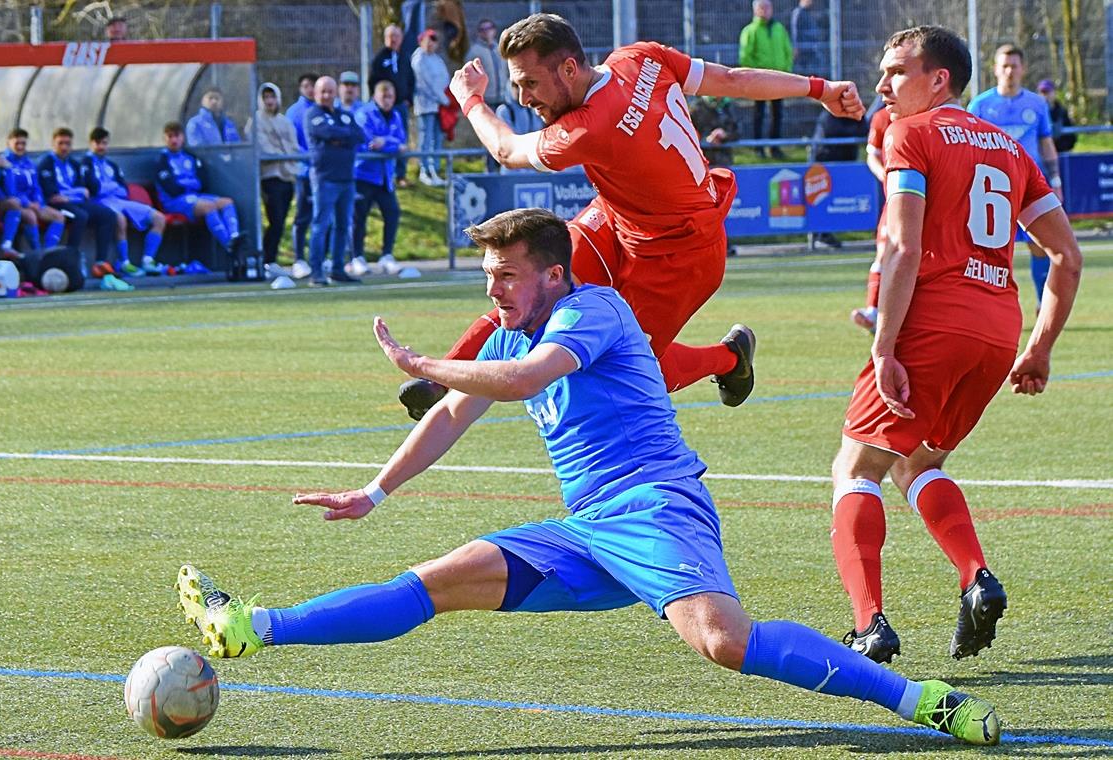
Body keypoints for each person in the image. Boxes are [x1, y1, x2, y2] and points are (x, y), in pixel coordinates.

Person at [177, 207, 1001, 748]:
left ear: (552, 275)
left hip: (655, 508)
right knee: (435, 582)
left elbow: (531, 378)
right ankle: (253, 625)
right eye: (486, 278)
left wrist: (429, 361)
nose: (493, 291)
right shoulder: (509, 335)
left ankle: (918, 699)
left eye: (506, 277)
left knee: (726, 642)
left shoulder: (593, 310)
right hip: (586, 530)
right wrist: (375, 492)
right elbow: (449, 417)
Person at [400, 12, 863, 421]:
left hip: (683, 253)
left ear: (568, 67)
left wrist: (470, 100)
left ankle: (729, 358)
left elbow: (505, 148)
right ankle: (440, 381)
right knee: (533, 282)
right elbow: (735, 80)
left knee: (632, 369)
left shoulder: (586, 128)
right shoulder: (639, 57)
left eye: (531, 84)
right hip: (618, 218)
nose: (523, 98)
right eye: (517, 85)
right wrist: (820, 88)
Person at [830, 26, 1082, 666]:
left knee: (855, 470)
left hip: (932, 329)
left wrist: (884, 347)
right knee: (919, 464)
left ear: (938, 78)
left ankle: (868, 626)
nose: (883, 85)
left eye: (895, 71)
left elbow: (904, 247)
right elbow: (1066, 257)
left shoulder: (909, 135)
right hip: (996, 335)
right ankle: (976, 579)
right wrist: (1040, 348)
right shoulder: (1008, 147)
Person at [968, 44, 1062, 311]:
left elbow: (1046, 142)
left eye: (1014, 65)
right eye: (1005, 65)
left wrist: (1055, 181)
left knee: (1039, 244)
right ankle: (991, 303)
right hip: (992, 188)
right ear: (996, 69)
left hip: (1032, 185)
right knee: (992, 248)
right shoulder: (981, 105)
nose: (1010, 71)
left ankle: (1044, 301)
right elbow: (971, 147)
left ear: (1023, 69)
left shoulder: (1036, 104)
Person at [36, 127, 121, 283]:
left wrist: (70, 195)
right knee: (80, 216)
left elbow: (85, 191)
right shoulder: (46, 163)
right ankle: (71, 258)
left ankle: (100, 262)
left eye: (67, 144)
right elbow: (52, 195)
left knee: (108, 215)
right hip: (56, 206)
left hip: (75, 203)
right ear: (53, 144)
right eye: (60, 143)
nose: (64, 147)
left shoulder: (74, 164)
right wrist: (74, 193)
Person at [82, 127, 167, 277]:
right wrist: (111, 187)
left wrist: (107, 187)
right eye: (97, 143)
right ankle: (124, 262)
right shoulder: (85, 163)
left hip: (119, 200)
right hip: (100, 202)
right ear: (91, 143)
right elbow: (94, 189)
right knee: (119, 219)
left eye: (104, 143)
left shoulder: (112, 165)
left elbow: (123, 189)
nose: (101, 147)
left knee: (159, 218)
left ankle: (148, 260)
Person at [154, 121, 244, 262]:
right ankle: (229, 245)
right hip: (175, 201)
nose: (174, 140)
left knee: (227, 202)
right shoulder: (161, 160)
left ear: (183, 137)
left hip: (195, 196)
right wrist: (191, 185)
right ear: (165, 139)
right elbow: (171, 188)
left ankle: (234, 237)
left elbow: (203, 182)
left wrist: (188, 184)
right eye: (170, 136)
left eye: (177, 136)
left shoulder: (191, 157)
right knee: (209, 206)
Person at [304, 76, 364, 286]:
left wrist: (339, 138)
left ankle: (338, 269)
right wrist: (340, 137)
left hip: (346, 178)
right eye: (323, 91)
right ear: (316, 93)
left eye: (331, 91)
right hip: (325, 178)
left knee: (342, 226)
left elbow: (359, 135)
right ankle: (316, 271)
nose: (327, 95)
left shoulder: (344, 115)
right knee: (321, 225)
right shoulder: (312, 114)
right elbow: (325, 132)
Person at [349, 80, 405, 278]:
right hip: (363, 174)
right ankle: (357, 257)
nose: (388, 101)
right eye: (384, 97)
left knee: (392, 213)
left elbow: (401, 142)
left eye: (390, 97)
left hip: (384, 177)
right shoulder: (364, 114)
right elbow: (370, 142)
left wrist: (388, 142)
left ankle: (387, 255)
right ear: (375, 96)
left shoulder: (396, 115)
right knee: (359, 218)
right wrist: (391, 144)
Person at [246, 82, 301, 270]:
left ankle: (272, 258)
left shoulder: (284, 121)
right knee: (275, 220)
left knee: (282, 221)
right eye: (266, 97)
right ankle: (267, 259)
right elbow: (263, 148)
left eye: (272, 97)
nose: (270, 101)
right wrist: (281, 156)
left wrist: (288, 160)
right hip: (270, 177)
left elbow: (294, 146)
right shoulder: (256, 121)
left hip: (288, 176)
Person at [851, 98, 891, 333]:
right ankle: (873, 312)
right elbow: (872, 155)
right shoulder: (882, 117)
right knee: (884, 253)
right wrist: (887, 176)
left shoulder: (923, 115)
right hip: (896, 199)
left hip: (931, 199)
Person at [739, 0, 793, 159]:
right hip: (759, 81)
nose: (765, 11)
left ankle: (775, 147)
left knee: (778, 113)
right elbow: (745, 56)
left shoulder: (779, 29)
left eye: (767, 7)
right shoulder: (751, 31)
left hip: (779, 79)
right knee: (759, 113)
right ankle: (758, 147)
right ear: (755, 10)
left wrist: (786, 71)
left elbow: (787, 51)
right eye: (761, 7)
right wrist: (756, 75)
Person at [809, 110, 868, 248]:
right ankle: (821, 235)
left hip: (845, 165)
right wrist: (854, 123)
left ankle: (825, 234)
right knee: (822, 199)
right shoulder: (829, 112)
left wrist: (856, 117)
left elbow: (864, 130)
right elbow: (834, 130)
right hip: (825, 164)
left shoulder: (855, 109)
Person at [4, 128, 66, 253]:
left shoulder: (29, 163)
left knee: (59, 217)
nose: (20, 147)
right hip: (14, 204)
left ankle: (48, 251)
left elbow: (36, 186)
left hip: (33, 203)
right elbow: (9, 190)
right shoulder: (5, 162)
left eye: (23, 143)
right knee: (30, 216)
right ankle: (37, 252)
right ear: (9, 143)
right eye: (17, 143)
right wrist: (28, 204)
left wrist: (38, 202)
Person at [370, 24, 415, 187]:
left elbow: (411, 79)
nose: (394, 39)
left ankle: (400, 175)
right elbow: (373, 80)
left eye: (396, 36)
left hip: (400, 106)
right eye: (391, 36)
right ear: (385, 38)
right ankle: (383, 174)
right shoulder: (380, 58)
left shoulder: (404, 57)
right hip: (383, 108)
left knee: (401, 139)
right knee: (382, 138)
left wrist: (409, 98)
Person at [286, 73, 320, 279]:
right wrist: (309, 159)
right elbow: (293, 143)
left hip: (323, 173)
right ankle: (298, 259)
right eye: (306, 86)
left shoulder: (324, 109)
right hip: (304, 172)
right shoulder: (294, 112)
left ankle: (319, 258)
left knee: (323, 217)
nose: (309, 89)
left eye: (312, 86)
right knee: (303, 216)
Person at [467, 18, 511, 172]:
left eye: (490, 28)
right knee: (489, 136)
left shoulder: (498, 49)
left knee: (504, 134)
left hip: (503, 98)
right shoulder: (475, 51)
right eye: (483, 29)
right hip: (487, 99)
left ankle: (504, 168)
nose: (487, 31)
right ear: (479, 32)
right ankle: (490, 169)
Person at [411, 28, 451, 186]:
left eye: (434, 40)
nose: (431, 43)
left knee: (437, 139)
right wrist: (442, 98)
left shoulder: (437, 59)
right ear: (421, 41)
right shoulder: (418, 59)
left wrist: (445, 99)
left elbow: (445, 79)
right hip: (426, 105)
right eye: (428, 40)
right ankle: (424, 170)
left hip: (439, 106)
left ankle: (435, 170)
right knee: (425, 138)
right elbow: (426, 84)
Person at [1037, 79, 1076, 154]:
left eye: (1048, 92)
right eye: (1042, 92)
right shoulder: (1033, 114)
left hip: (1060, 153)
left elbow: (1071, 138)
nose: (1045, 96)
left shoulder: (1062, 112)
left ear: (1054, 93)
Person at [790, 0, 828, 77]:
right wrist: (796, 47)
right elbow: (795, 31)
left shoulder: (807, 13)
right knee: (804, 74)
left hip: (811, 49)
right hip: (803, 49)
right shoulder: (798, 12)